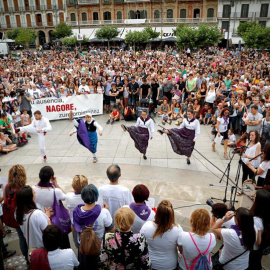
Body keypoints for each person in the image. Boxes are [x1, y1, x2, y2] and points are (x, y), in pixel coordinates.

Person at [73, 184, 114, 270]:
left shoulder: (76, 212)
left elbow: (73, 229)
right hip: (98, 247)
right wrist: (107, 211)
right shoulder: (103, 212)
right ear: (96, 196)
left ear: (83, 197)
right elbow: (111, 230)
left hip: (83, 247)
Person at [140, 200, 183, 270]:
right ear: (171, 214)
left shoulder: (146, 226)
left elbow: (141, 244)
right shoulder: (178, 229)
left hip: (151, 265)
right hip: (170, 266)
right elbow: (181, 251)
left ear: (157, 213)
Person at [3, 165, 28, 263]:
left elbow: (5, 202)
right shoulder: (24, 188)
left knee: (21, 237)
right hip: (24, 217)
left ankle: (26, 258)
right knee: (28, 237)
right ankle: (32, 257)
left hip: (14, 218)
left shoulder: (7, 187)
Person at [15, 185, 52, 250]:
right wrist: (47, 216)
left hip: (32, 248)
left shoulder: (17, 212)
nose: (35, 194)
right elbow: (49, 231)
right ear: (30, 198)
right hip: (43, 247)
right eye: (34, 193)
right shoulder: (37, 214)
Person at [247, 189, 270, 270]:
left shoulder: (256, 221)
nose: (254, 196)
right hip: (260, 248)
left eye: (255, 196)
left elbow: (257, 240)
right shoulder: (266, 214)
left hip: (253, 250)